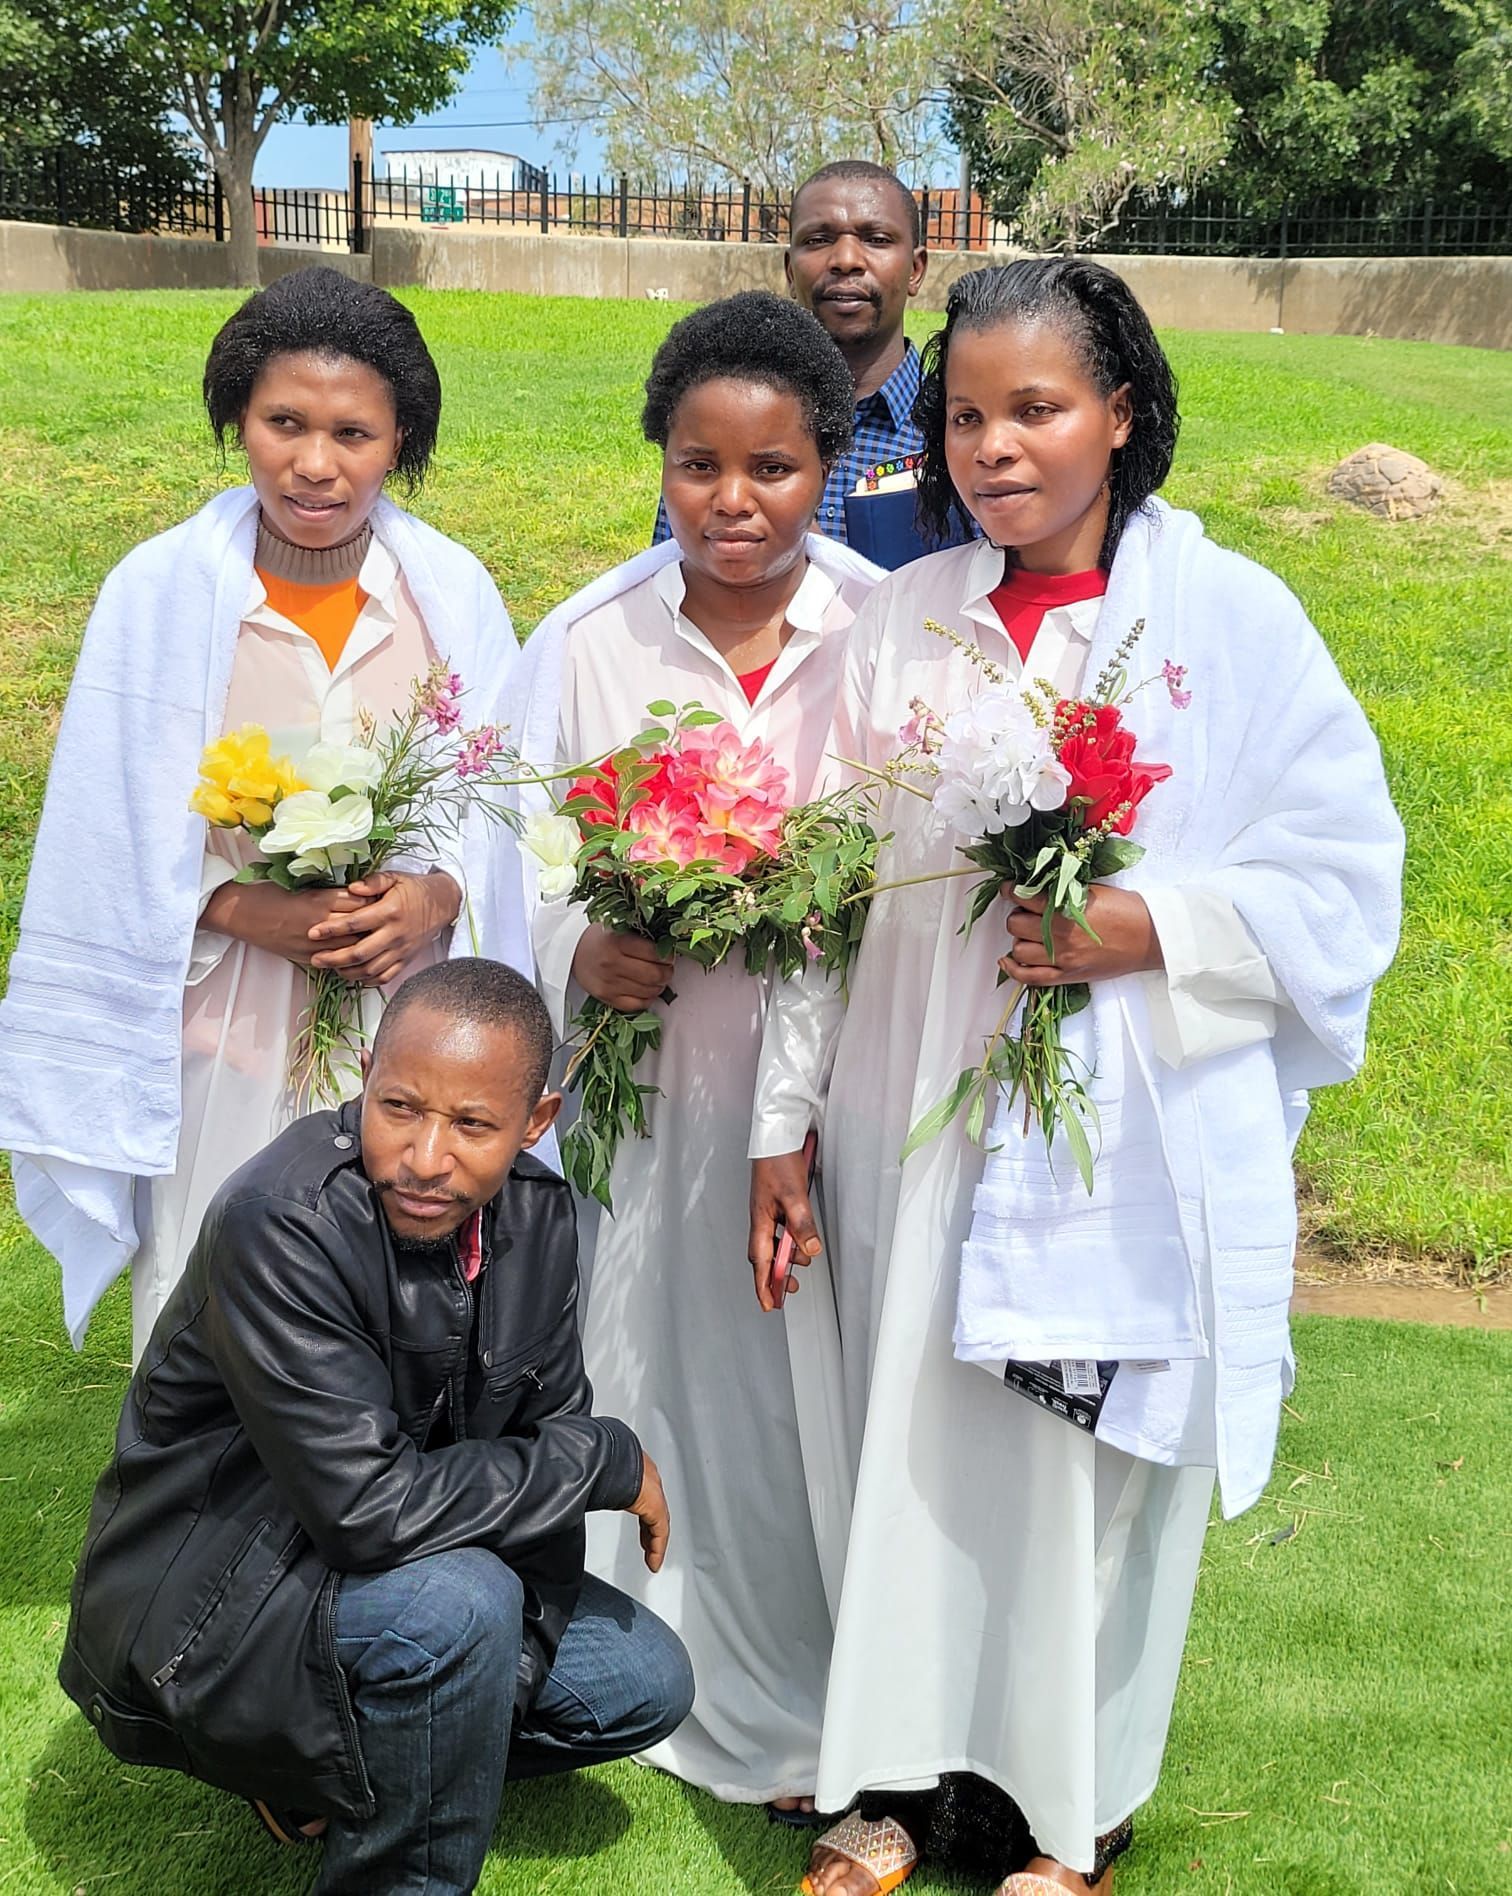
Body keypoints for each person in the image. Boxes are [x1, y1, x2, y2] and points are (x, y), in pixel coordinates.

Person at [747, 259, 1404, 1894]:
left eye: (1034, 408)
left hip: (1122, 1139)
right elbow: (823, 895)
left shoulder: (1229, 621)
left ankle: (1070, 1815)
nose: (993, 446)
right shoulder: (901, 618)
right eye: (966, 416)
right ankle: (896, 1789)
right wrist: (785, 1121)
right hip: (913, 1119)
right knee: (913, 1452)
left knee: (1078, 1479)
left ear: (1119, 410)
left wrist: (1151, 927)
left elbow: (1344, 873)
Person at [59, 958, 693, 1896]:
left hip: (387, 1579)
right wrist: (604, 1459)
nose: (426, 1157)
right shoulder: (281, 1223)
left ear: (535, 1123)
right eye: (399, 1107)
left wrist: (499, 1679)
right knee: (462, 1606)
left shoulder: (540, 1218)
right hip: (208, 1610)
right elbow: (368, 1510)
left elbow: (542, 1459)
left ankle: (329, 1770)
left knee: (644, 1678)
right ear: (365, 1076)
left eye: (472, 1124)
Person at [503, 290, 881, 1817]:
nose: (734, 500)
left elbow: (901, 872)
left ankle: (799, 1681)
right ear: (658, 462)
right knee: (636, 1347)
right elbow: (517, 847)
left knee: (790, 1381)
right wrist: (575, 948)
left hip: (819, 1088)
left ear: (827, 467)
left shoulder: (881, 632)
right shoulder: (592, 639)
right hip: (643, 1082)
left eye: (772, 468)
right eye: (698, 465)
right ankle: (613, 1658)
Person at [0, 267, 524, 1358]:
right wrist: (243, 908)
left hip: (404, 1023)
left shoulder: (452, 594)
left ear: (400, 441)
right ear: (239, 417)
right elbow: (108, 825)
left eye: (353, 433)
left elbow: (501, 796)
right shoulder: (158, 595)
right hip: (221, 1028)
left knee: (391, 1314)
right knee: (215, 1291)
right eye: (285, 422)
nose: (315, 464)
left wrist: (433, 896)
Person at [654, 161, 964, 569]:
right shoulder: (721, 418)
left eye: (876, 239)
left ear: (916, 269)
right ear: (789, 269)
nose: (846, 260)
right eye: (818, 240)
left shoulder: (960, 428)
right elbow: (670, 575)